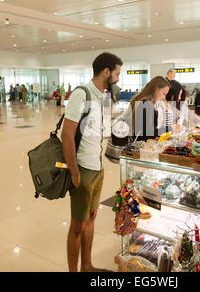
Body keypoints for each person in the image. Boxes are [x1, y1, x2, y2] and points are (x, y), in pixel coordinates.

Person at [61, 52, 122, 272]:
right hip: (83, 169)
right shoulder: (82, 94)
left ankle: (87, 265)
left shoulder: (102, 97)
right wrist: (74, 172)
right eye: (116, 74)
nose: (117, 79)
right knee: (77, 225)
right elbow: (66, 135)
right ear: (106, 72)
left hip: (97, 168)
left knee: (91, 218)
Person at [129, 76, 171, 142]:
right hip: (140, 147)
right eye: (163, 94)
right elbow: (149, 134)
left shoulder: (141, 100)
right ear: (156, 90)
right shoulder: (147, 104)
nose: (164, 98)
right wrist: (171, 128)